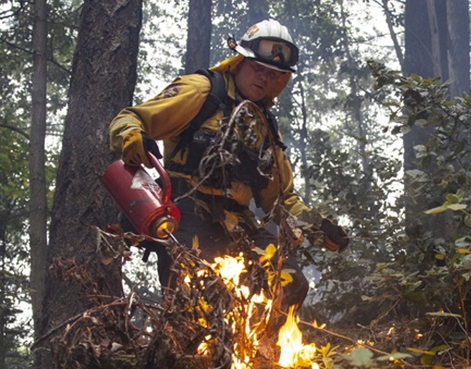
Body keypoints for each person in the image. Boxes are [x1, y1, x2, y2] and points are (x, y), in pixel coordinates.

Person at [108, 19, 347, 313]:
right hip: (186, 210)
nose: (264, 79)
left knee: (291, 281)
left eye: (273, 75)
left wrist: (319, 229)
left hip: (237, 221)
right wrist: (133, 138)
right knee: (199, 295)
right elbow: (131, 118)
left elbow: (280, 202)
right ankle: (194, 353)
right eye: (258, 69)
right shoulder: (202, 91)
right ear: (239, 62)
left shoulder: (266, 129)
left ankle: (266, 353)